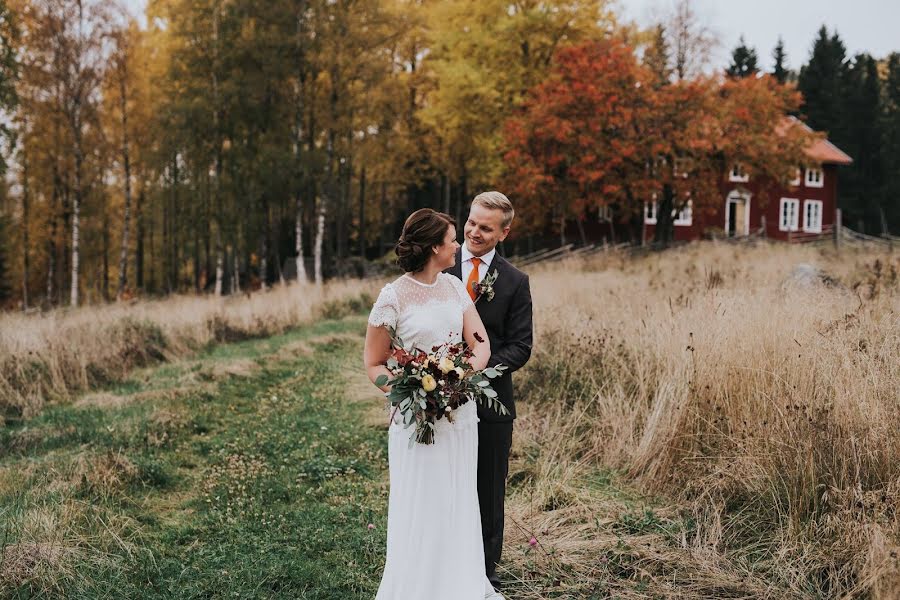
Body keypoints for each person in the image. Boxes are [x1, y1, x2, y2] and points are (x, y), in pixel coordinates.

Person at [364, 208, 504, 600]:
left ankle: (459, 583)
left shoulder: (455, 288)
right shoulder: (392, 296)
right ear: (432, 247)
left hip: (458, 415)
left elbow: (480, 345)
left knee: (457, 496)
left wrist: (459, 380)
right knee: (420, 500)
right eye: (452, 238)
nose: (459, 244)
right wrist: (407, 393)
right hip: (415, 420)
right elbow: (373, 363)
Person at [445, 191, 533, 592]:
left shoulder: (515, 282)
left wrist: (477, 370)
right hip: (438, 399)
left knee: (488, 488)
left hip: (491, 402)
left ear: (504, 233)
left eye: (485, 227)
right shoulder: (440, 268)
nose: (474, 232)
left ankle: (485, 571)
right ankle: (442, 563)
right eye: (471, 223)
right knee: (443, 483)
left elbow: (520, 345)